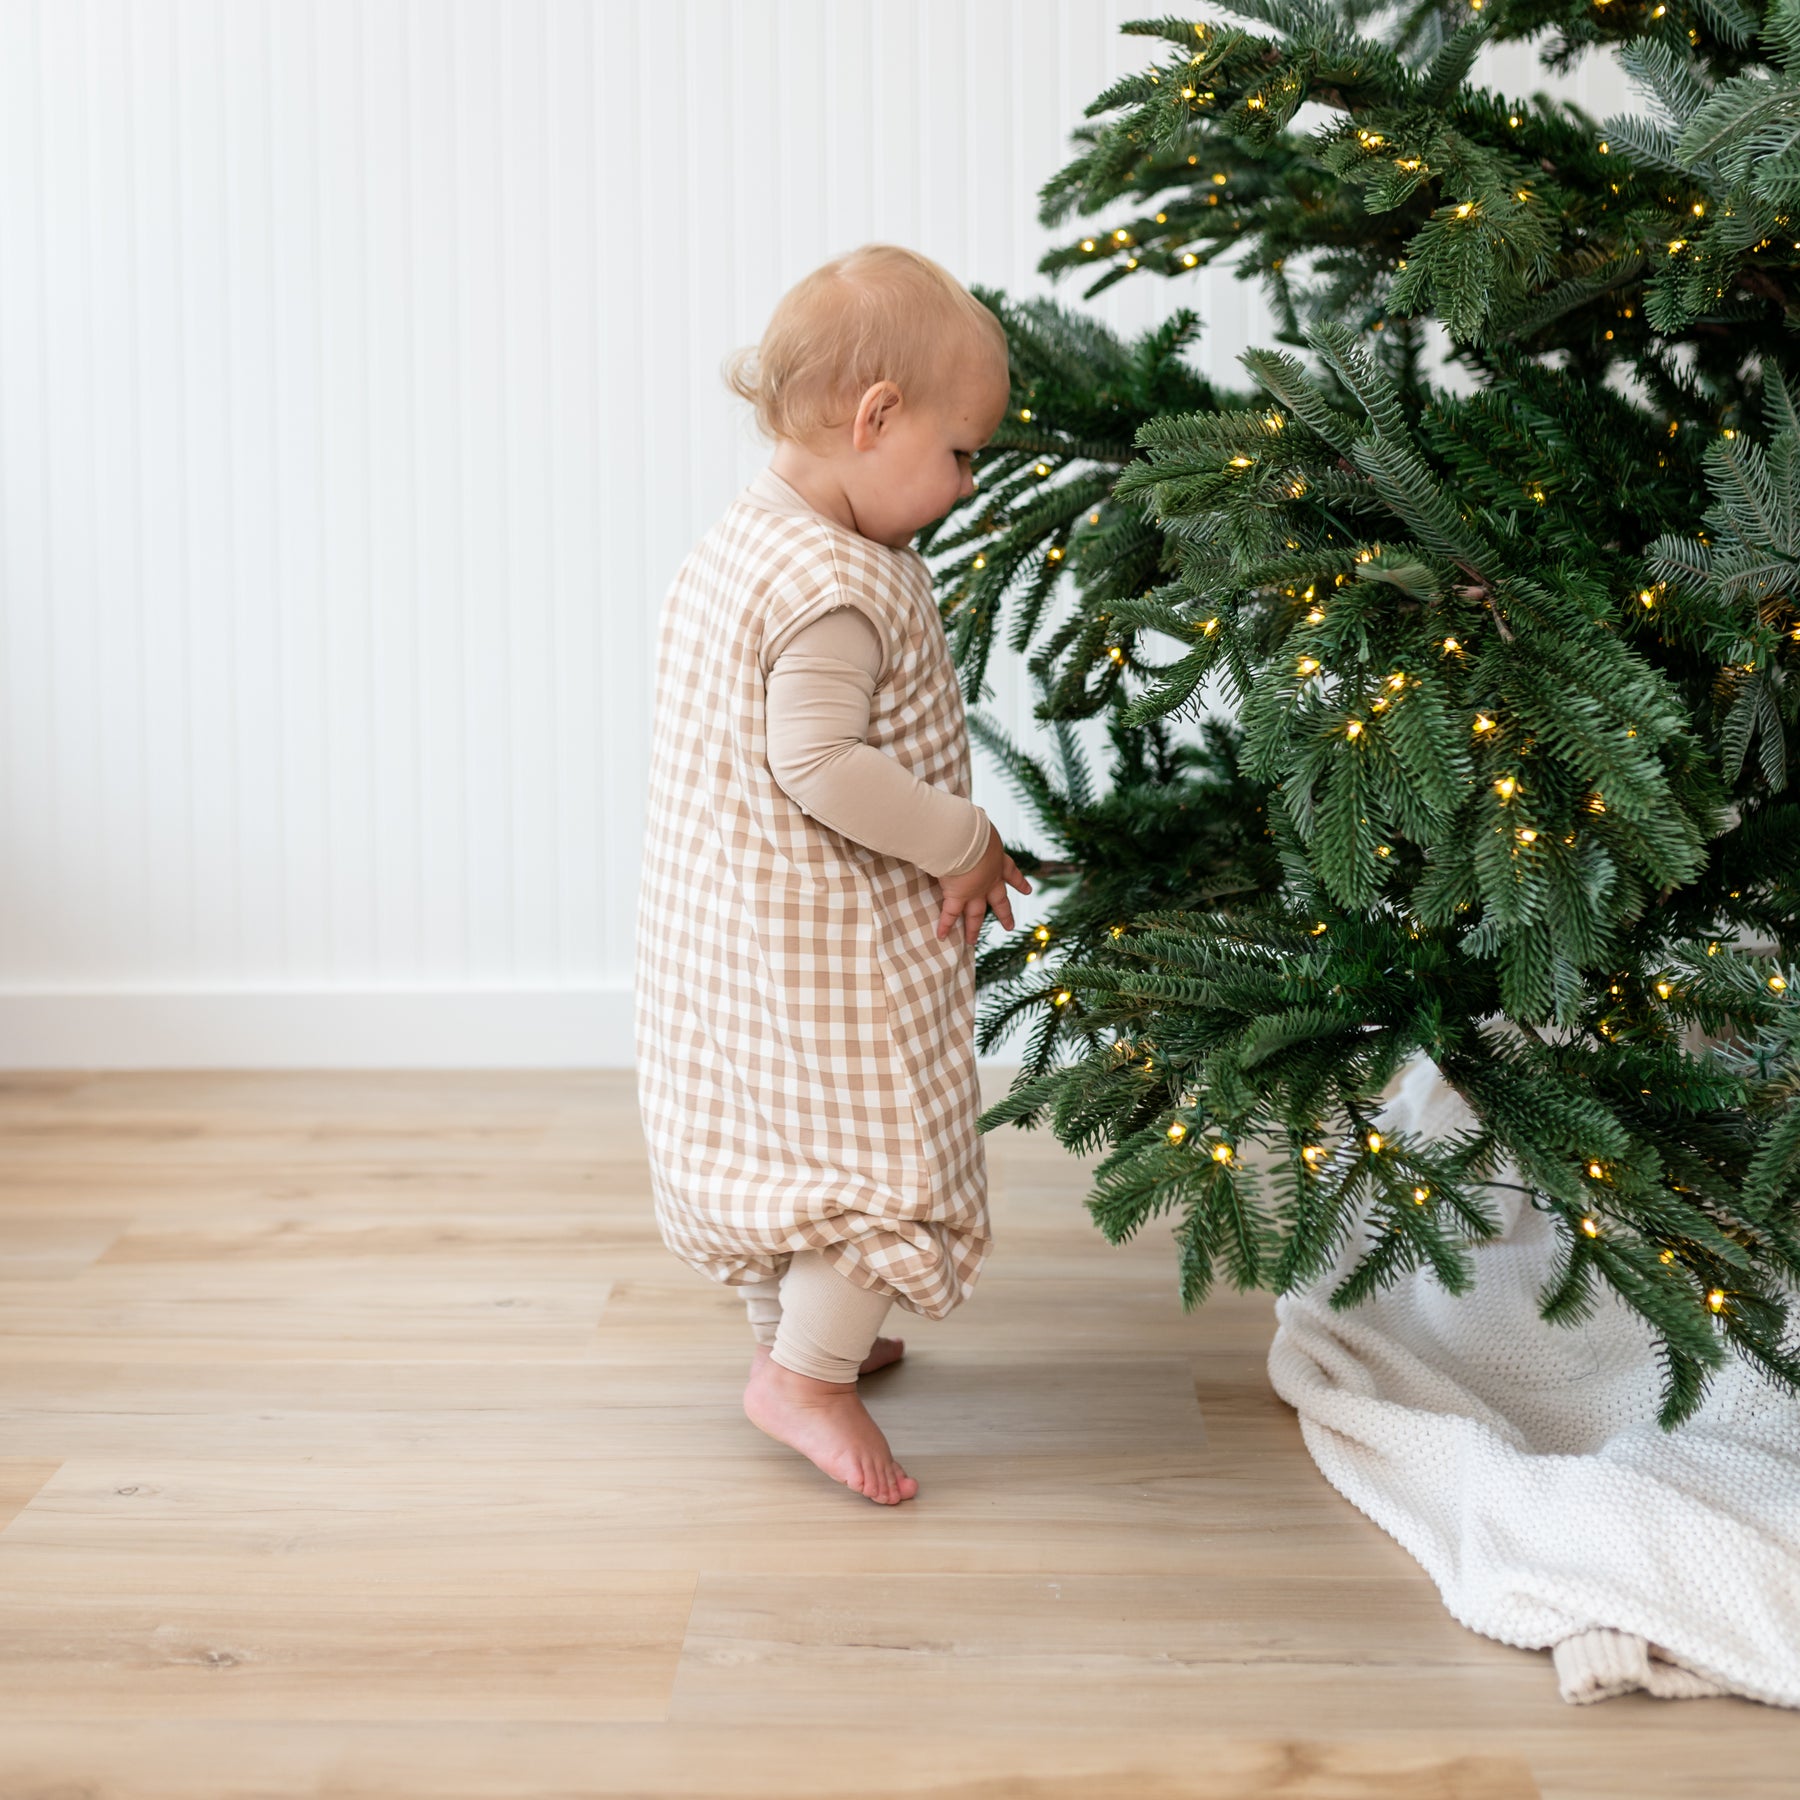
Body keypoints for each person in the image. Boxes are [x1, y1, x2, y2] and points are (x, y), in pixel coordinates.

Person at [634, 244, 1030, 1506]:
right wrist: (962, 837)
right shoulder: (834, 587)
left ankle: (801, 1333)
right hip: (825, 944)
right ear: (876, 418)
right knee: (879, 1157)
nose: (967, 484)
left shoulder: (742, 541)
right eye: (962, 452)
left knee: (772, 1140)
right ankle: (806, 1373)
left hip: (723, 929)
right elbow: (821, 765)